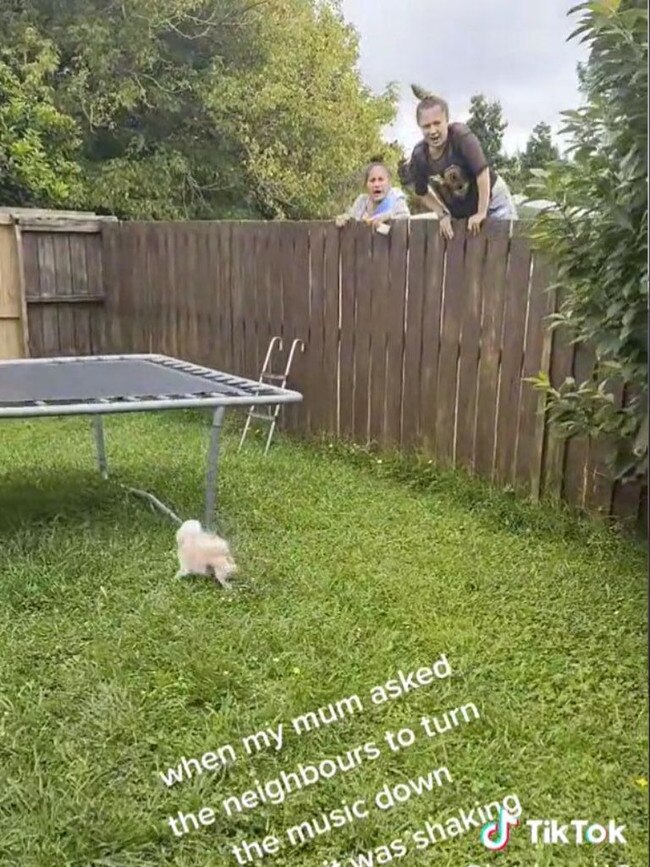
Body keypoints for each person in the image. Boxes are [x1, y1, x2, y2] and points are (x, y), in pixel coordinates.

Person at [408, 92, 517, 240]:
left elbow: (482, 172)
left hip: (492, 201)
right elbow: (421, 191)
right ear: (420, 127)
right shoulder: (419, 155)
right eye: (426, 126)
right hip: (462, 211)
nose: (433, 131)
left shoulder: (460, 136)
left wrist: (481, 212)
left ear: (447, 121)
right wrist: (442, 214)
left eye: (437, 123)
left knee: (505, 246)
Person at [336, 161, 410, 230]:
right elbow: (351, 217)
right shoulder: (362, 201)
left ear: (389, 183)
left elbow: (406, 220)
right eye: (372, 180)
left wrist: (387, 217)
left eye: (380, 179)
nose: (376, 185)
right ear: (366, 185)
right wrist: (344, 218)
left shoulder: (396, 198)